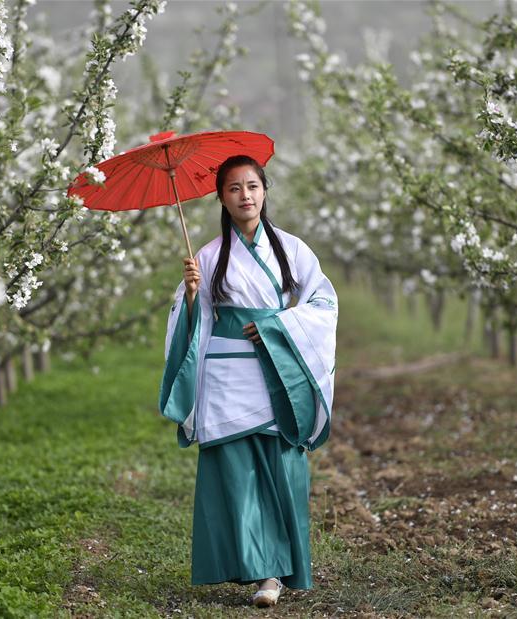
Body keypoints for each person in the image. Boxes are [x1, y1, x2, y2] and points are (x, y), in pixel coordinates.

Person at [159, 154, 338, 608]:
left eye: (253, 186)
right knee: (237, 474)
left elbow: (323, 303)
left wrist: (278, 326)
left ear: (264, 190)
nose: (245, 196)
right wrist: (193, 295)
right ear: (221, 197)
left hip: (276, 371)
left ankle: (276, 570)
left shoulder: (291, 249)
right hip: (226, 377)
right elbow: (191, 324)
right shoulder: (207, 256)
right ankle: (261, 571)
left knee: (280, 467)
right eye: (234, 188)